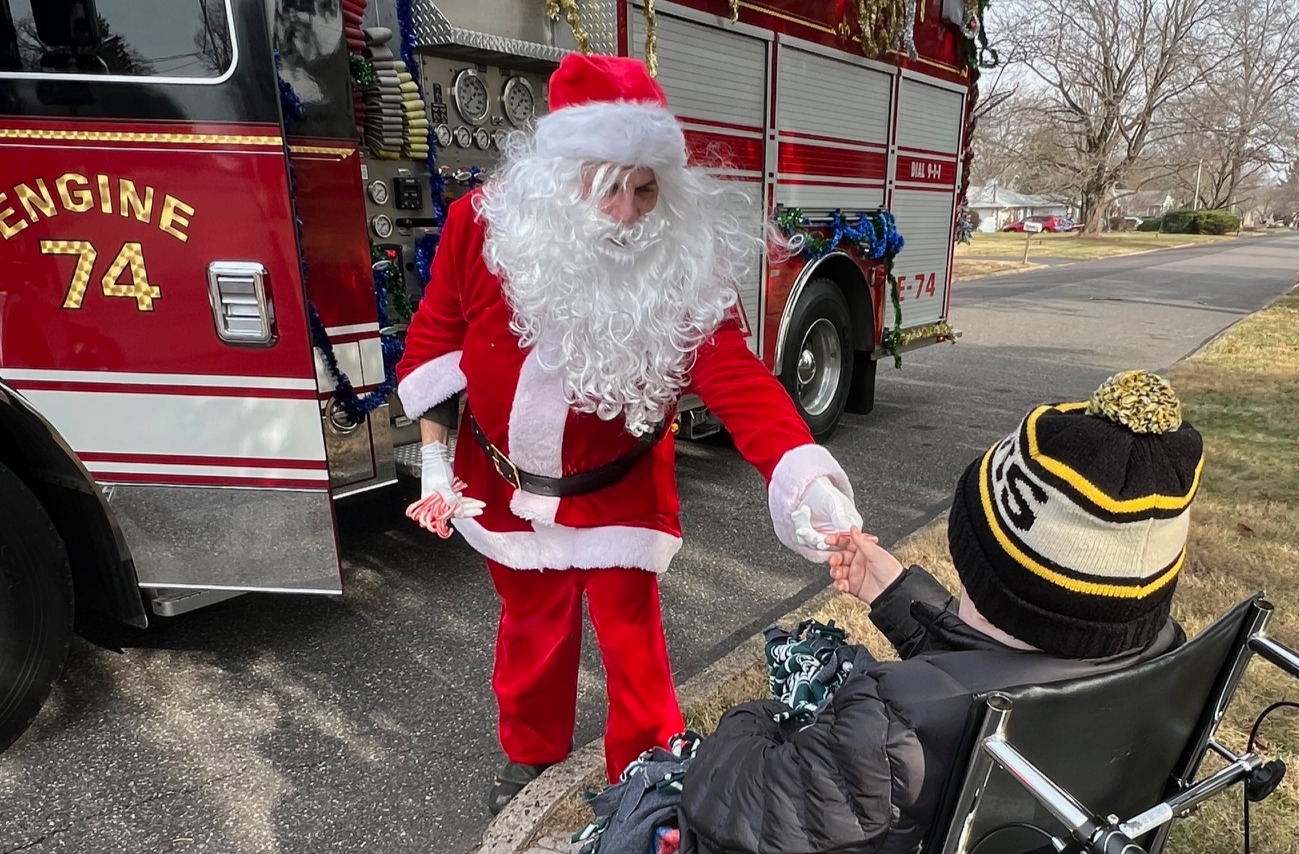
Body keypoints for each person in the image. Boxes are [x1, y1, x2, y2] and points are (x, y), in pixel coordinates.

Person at [394, 53, 864, 813]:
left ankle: (649, 771)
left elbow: (730, 368)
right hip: (504, 484)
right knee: (532, 626)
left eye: (645, 191)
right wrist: (434, 461)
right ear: (560, 179)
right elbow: (436, 339)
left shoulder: (680, 252)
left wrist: (799, 467)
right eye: (606, 188)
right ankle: (532, 753)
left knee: (631, 637)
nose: (625, 214)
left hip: (621, 487)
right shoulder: (482, 225)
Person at [675, 370, 1204, 854]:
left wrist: (757, 718)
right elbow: (995, 668)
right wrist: (896, 593)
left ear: (985, 574)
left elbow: (731, 799)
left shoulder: (890, 727)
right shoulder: (1161, 657)